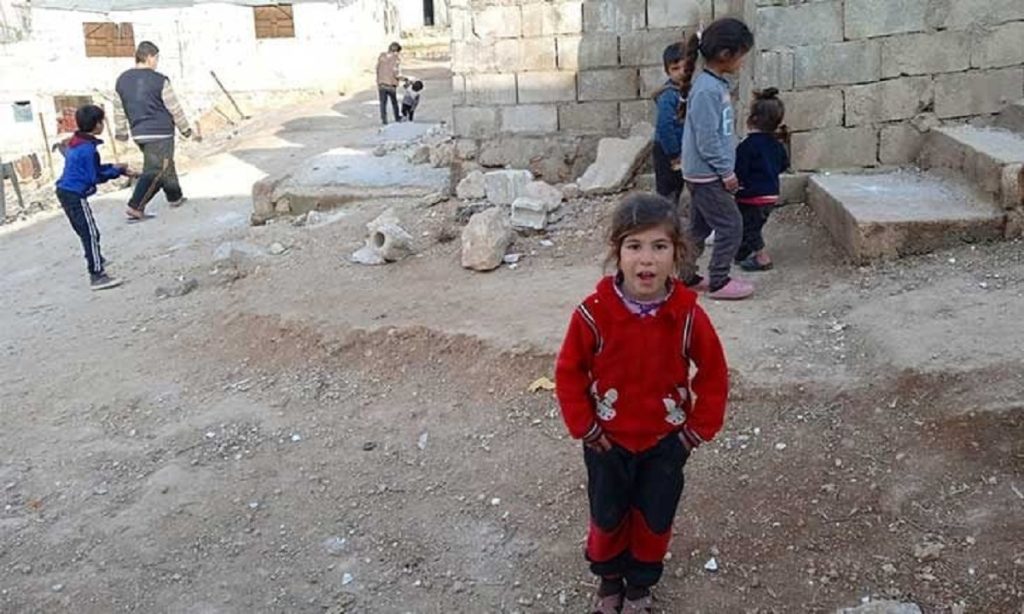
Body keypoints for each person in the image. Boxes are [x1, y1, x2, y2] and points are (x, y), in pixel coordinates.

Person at [555, 194, 729, 614]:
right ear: (617, 252)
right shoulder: (593, 314)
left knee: (654, 516)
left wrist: (694, 432)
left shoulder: (688, 316)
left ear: (678, 253)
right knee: (608, 514)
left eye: (659, 246)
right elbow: (569, 371)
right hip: (605, 442)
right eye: (634, 245)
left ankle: (639, 587)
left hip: (665, 444)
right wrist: (585, 426)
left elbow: (714, 373)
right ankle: (609, 581)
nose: (646, 259)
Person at [678, 18, 756, 300]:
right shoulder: (707, 90)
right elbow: (707, 139)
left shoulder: (713, 85)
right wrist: (726, 172)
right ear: (725, 54)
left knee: (699, 228)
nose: (743, 62)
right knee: (731, 225)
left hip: (704, 172)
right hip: (707, 174)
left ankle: (684, 277)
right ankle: (719, 280)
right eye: (741, 55)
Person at [55, 105, 138, 290]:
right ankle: (97, 274)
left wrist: (117, 168)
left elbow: (93, 169)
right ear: (97, 124)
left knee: (84, 231)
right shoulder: (87, 149)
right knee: (90, 233)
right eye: (102, 121)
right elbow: (94, 176)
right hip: (75, 194)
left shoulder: (77, 142)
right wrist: (116, 171)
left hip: (65, 190)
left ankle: (96, 258)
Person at [114, 40, 196, 221]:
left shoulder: (122, 80)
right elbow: (174, 107)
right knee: (157, 169)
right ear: (150, 57)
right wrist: (185, 129)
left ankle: (175, 196)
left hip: (139, 133)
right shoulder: (160, 80)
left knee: (165, 163)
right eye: (156, 58)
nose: (157, 62)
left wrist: (121, 134)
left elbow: (119, 109)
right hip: (161, 132)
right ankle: (136, 206)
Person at [735, 88, 789, 271]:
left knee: (750, 228)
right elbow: (783, 164)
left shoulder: (747, 146)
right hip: (770, 195)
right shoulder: (777, 145)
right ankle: (742, 252)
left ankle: (762, 258)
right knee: (751, 225)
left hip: (751, 195)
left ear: (753, 119)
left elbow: (739, 171)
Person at [651, 42, 687, 205]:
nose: (681, 72)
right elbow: (664, 126)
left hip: (680, 148)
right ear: (667, 71)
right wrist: (674, 154)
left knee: (678, 187)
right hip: (667, 151)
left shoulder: (688, 91)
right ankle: (663, 218)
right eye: (675, 68)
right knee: (667, 192)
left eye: (685, 67)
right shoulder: (668, 96)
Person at [376, 42, 403, 125]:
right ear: (396, 51)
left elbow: (377, 69)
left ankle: (384, 120)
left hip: (381, 83)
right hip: (390, 84)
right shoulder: (396, 59)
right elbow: (396, 73)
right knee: (394, 102)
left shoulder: (382, 56)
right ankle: (397, 117)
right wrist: (403, 79)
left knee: (383, 103)